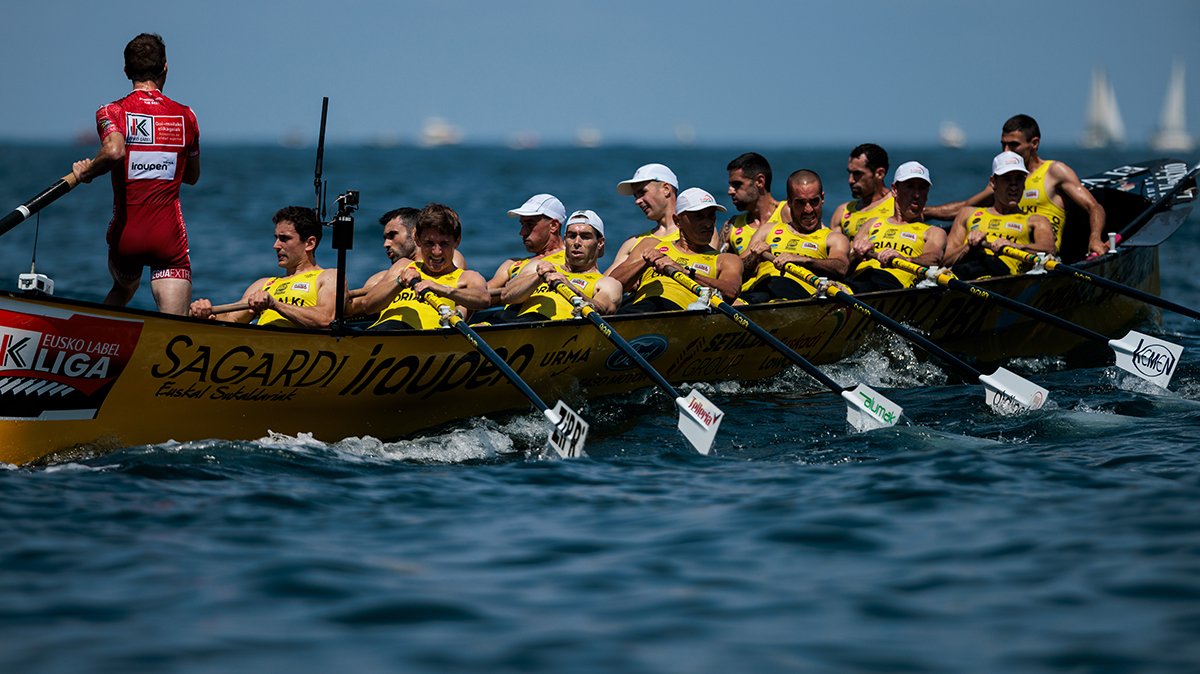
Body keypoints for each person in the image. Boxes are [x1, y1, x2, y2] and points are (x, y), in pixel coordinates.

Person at [71, 33, 200, 315]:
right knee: (174, 324)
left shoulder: (112, 111)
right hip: (168, 238)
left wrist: (87, 172)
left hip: (126, 236)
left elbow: (114, 151)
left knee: (123, 289)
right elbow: (191, 176)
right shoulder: (186, 115)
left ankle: (93, 347)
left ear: (126, 71)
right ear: (165, 67)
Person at [924, 114, 1107, 258]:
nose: (1006, 151)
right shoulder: (1003, 180)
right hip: (998, 251)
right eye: (1003, 145)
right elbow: (966, 207)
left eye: (1013, 145)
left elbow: (1094, 207)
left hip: (1040, 255)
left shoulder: (1055, 172)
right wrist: (924, 212)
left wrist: (1095, 238)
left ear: (1034, 143)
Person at [189, 206, 337, 328]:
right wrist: (205, 313)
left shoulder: (328, 277)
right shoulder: (263, 285)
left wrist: (276, 305)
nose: (276, 246)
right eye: (276, 238)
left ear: (309, 243)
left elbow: (325, 319)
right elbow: (230, 319)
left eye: (284, 239)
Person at [348, 203, 488, 330]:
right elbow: (369, 305)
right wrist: (399, 283)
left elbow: (484, 299)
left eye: (444, 244)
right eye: (429, 243)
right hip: (380, 333)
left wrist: (440, 289)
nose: (436, 252)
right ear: (417, 240)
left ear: (457, 242)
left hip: (418, 339)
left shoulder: (468, 277)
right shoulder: (403, 266)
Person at [610, 188, 743, 313]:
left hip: (682, 314)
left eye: (711, 216)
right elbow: (613, 284)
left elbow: (731, 291)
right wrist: (644, 263)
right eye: (699, 217)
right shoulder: (650, 245)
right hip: (643, 309)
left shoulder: (725, 260)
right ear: (677, 221)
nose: (708, 223)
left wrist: (685, 272)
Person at [741, 170, 851, 303]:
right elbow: (738, 273)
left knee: (777, 286)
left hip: (799, 296)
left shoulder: (834, 238)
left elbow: (841, 268)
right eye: (801, 202)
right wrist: (754, 257)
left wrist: (801, 260)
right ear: (789, 202)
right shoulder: (767, 230)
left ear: (822, 199)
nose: (808, 209)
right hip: (760, 292)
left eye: (814, 201)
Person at [943, 152, 1056, 280]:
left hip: (1004, 276)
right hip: (965, 270)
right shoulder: (967, 213)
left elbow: (1049, 250)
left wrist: (1015, 246)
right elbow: (944, 260)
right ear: (993, 182)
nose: (1014, 185)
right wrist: (968, 247)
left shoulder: (1036, 220)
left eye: (1019, 178)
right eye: (1007, 178)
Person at [498, 210, 623, 320]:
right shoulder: (539, 267)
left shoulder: (607, 283)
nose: (577, 242)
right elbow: (507, 296)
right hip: (520, 323)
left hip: (555, 331)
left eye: (585, 237)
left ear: (600, 243)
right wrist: (537, 278)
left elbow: (603, 309)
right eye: (572, 236)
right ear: (565, 240)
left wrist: (571, 288)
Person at [848, 162, 947, 292]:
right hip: (857, 281)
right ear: (894, 190)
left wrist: (905, 259)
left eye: (922, 188)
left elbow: (933, 259)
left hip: (891, 285)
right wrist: (856, 255)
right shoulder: (872, 223)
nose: (916, 195)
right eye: (910, 187)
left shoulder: (933, 232)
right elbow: (846, 266)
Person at [358, 207, 466, 293]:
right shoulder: (379, 278)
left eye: (392, 235)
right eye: (385, 238)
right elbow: (357, 306)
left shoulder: (452, 258)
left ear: (414, 234)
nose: (386, 244)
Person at [604, 163, 681, 273]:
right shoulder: (632, 243)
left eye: (642, 192)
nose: (637, 201)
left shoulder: (698, 233)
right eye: (635, 196)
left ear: (666, 189)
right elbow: (604, 285)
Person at [722, 152, 789, 259]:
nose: (730, 191)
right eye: (730, 185)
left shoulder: (788, 212)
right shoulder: (731, 226)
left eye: (737, 184)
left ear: (760, 182)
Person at [828, 143, 893, 239]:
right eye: (850, 173)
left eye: (857, 174)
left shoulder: (899, 206)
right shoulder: (842, 212)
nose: (850, 180)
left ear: (879, 174)